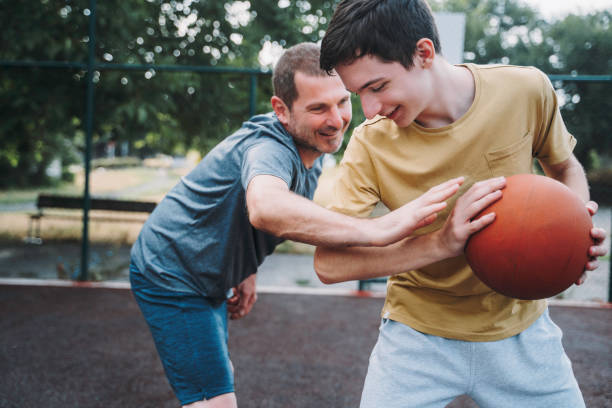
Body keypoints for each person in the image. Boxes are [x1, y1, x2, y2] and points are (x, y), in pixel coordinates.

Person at [129, 42, 477, 408]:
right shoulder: (270, 149)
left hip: (205, 270)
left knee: (214, 371)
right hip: (172, 274)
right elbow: (265, 205)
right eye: (317, 108)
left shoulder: (313, 145)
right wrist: (376, 229)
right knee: (213, 399)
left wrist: (245, 269)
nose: (336, 119)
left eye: (342, 102)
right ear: (281, 110)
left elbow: (245, 211)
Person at [316, 1, 608, 407]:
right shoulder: (370, 143)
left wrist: (573, 232)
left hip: (520, 329)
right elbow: (329, 264)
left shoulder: (525, 90)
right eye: (358, 93)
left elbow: (564, 166)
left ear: (424, 53)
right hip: (416, 337)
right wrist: (439, 242)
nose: (369, 110)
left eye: (378, 86)